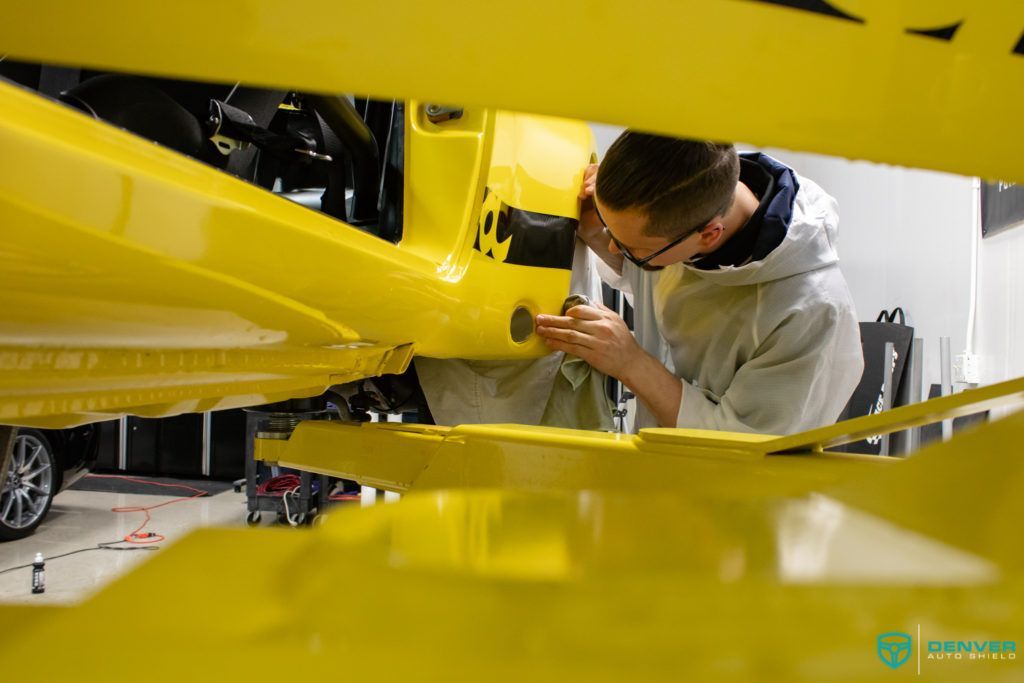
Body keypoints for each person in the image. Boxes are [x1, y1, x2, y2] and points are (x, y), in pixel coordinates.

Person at [534, 132, 863, 435]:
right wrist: (600, 227)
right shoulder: (694, 180)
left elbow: (742, 444)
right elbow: (664, 275)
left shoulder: (810, 310)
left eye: (635, 249)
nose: (611, 247)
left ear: (709, 235)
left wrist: (630, 362)